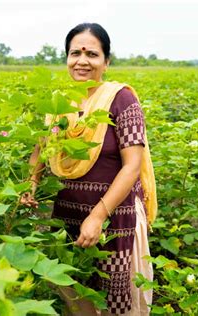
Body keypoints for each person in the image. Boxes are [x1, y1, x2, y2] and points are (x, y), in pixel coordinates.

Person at [21, 23, 155, 316]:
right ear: (67, 58)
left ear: (106, 62)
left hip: (113, 222)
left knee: (111, 301)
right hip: (66, 220)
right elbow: (39, 153)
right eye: (75, 53)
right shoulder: (57, 103)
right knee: (75, 299)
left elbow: (132, 167)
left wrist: (97, 217)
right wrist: (29, 186)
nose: (82, 61)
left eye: (92, 54)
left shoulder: (122, 100)